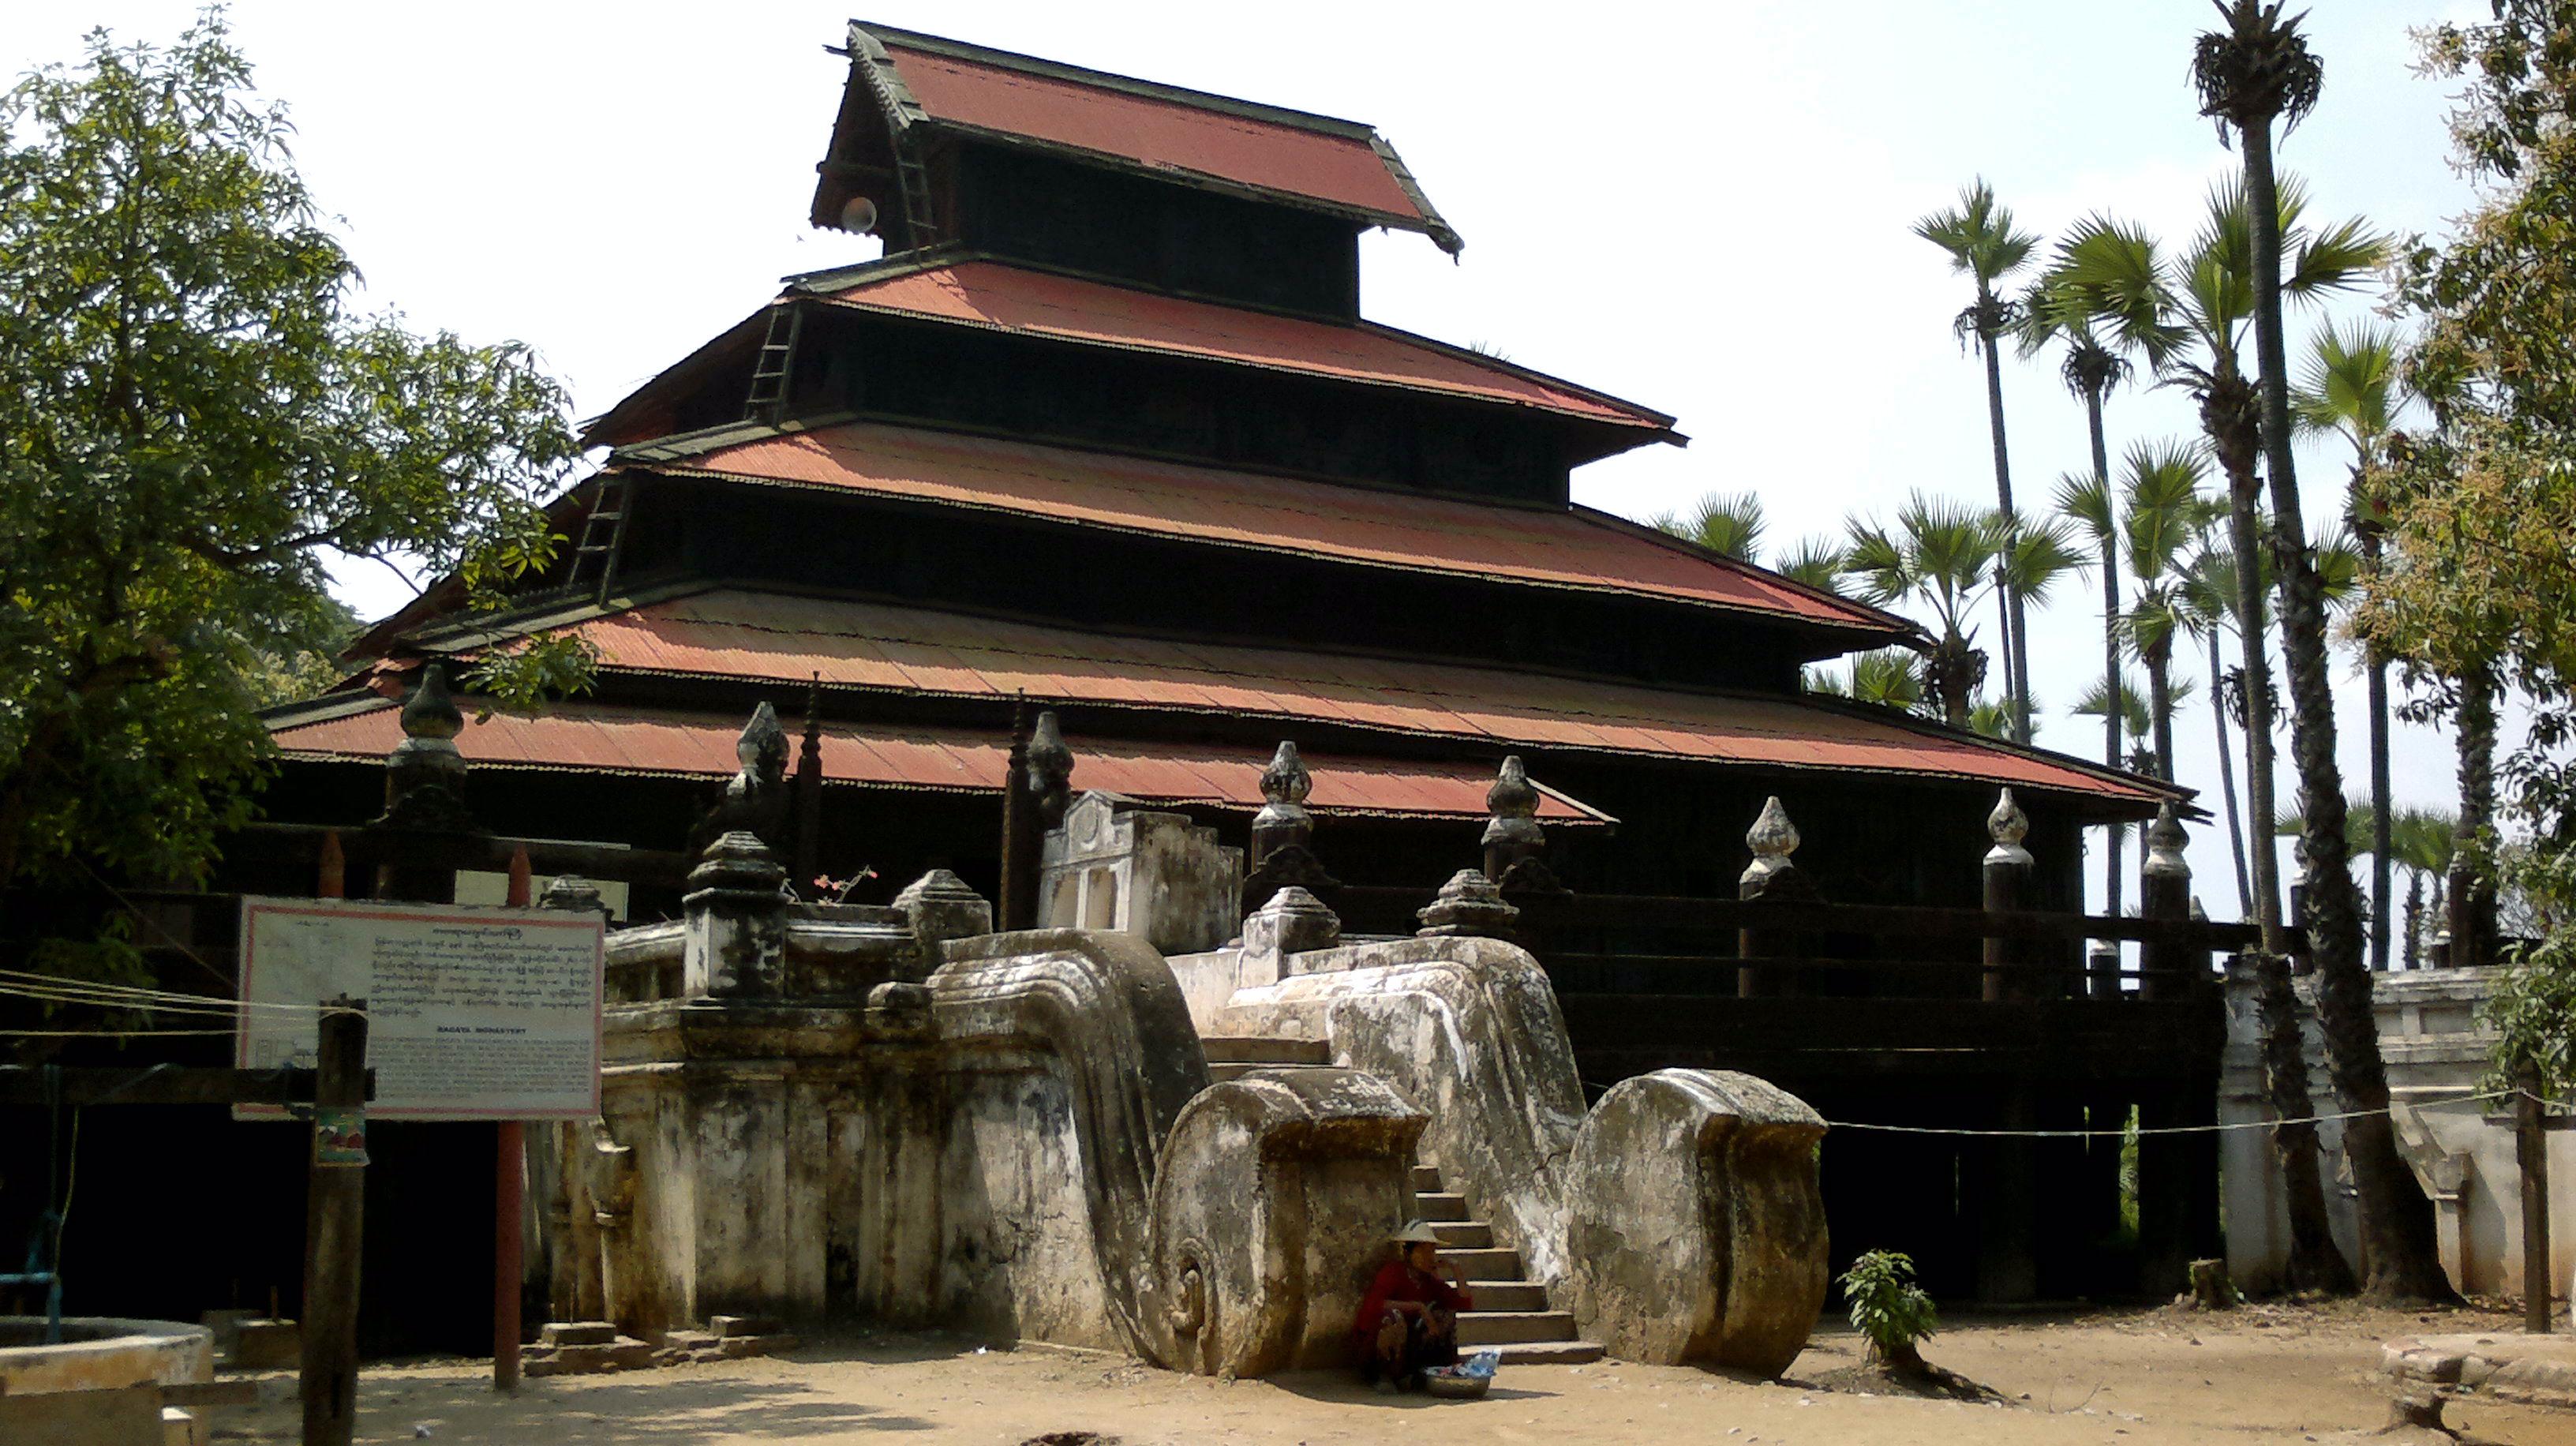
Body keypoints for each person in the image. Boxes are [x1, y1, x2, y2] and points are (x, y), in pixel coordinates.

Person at [1354, 1219, 1472, 1392]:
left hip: (1412, 1349)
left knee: (1445, 1315)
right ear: (1408, 1253)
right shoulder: (1393, 1272)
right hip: (1379, 1350)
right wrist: (1418, 1307)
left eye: (1431, 1251)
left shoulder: (1430, 1281)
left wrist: (1457, 1271)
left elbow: (1463, 1304)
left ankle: (1433, 1371)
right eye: (1422, 1251)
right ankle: (1385, 1375)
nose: (1429, 1257)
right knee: (1392, 1317)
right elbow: (1375, 1304)